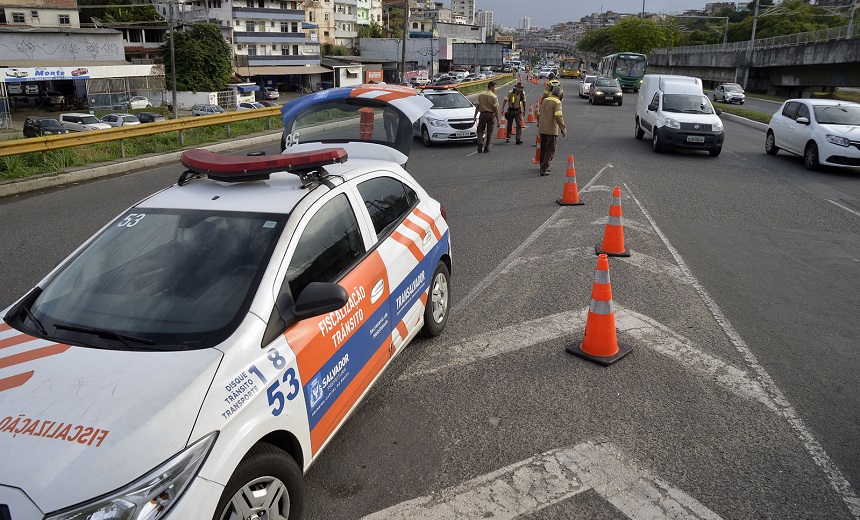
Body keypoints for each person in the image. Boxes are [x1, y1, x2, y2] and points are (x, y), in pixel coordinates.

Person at [536, 85, 566, 176]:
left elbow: (538, 113)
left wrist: (539, 124)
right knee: (550, 149)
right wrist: (563, 127)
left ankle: (542, 166)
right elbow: (558, 116)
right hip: (551, 129)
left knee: (543, 148)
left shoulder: (545, 100)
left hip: (542, 129)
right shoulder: (557, 102)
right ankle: (544, 168)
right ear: (560, 95)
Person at [473, 80, 499, 154]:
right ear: (491, 87)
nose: (495, 89)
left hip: (482, 114)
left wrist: (475, 115)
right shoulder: (494, 96)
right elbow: (496, 109)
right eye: (494, 87)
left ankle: (480, 141)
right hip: (491, 115)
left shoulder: (481, 94)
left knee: (480, 129)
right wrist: (498, 120)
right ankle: (486, 147)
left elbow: (477, 106)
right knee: (489, 132)